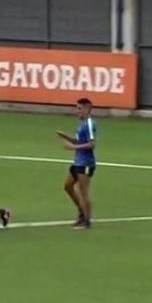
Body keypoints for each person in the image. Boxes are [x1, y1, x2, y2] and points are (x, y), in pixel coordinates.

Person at [56, 98, 97, 230]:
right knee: (67, 186)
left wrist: (72, 148)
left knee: (83, 192)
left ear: (87, 109)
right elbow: (78, 140)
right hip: (78, 162)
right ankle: (81, 211)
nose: (77, 111)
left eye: (79, 108)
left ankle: (86, 221)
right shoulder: (82, 124)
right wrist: (66, 137)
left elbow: (92, 144)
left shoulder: (90, 124)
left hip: (86, 163)